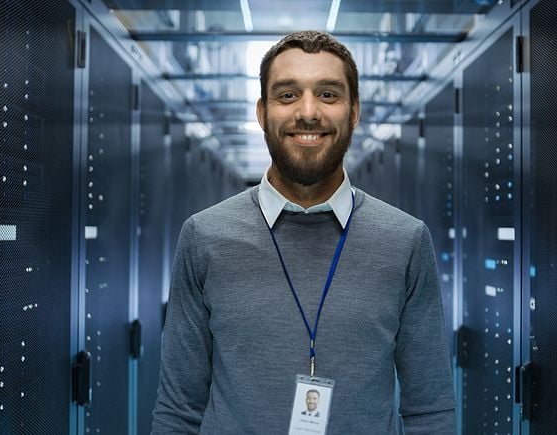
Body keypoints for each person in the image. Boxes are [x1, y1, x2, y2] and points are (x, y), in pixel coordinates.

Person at [152, 30, 456, 434]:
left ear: (354, 112)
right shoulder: (205, 236)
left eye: (328, 94)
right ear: (262, 112)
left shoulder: (405, 240)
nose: (308, 112)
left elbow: (429, 411)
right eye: (288, 95)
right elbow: (178, 410)